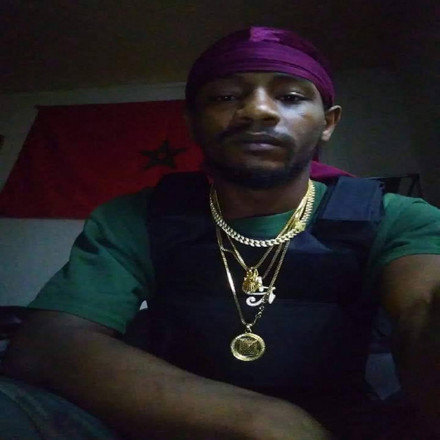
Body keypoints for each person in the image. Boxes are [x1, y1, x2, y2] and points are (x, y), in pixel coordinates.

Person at [1, 26, 440, 440]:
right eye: (226, 96)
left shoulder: (397, 216)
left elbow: (420, 310)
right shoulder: (135, 216)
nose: (258, 110)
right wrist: (264, 420)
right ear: (192, 122)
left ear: (328, 122)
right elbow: (49, 342)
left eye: (290, 96)